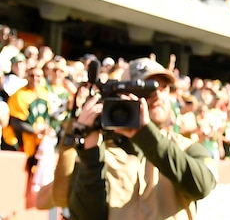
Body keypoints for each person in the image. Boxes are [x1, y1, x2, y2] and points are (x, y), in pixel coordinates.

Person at [66, 57, 217, 219]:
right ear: (123, 95)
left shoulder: (187, 147)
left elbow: (203, 185)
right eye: (148, 89)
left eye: (164, 88)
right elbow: (85, 215)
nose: (158, 95)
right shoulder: (103, 152)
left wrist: (146, 135)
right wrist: (90, 153)